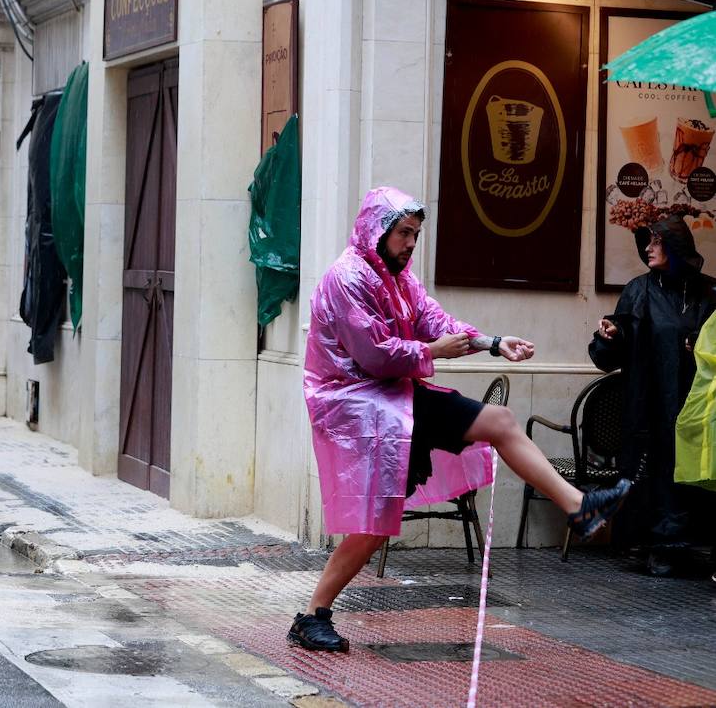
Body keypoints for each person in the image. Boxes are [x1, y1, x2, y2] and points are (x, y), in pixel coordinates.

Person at [289, 187, 633, 653]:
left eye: (416, 234)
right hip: (357, 404)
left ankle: (578, 507)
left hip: (396, 399)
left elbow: (437, 322)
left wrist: (493, 342)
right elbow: (373, 356)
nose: (411, 243)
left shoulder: (400, 279)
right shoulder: (346, 278)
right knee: (375, 523)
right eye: (403, 233)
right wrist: (432, 352)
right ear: (378, 231)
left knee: (499, 422)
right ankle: (313, 616)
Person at [590, 215, 716, 576]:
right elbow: (611, 350)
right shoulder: (639, 290)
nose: (648, 248)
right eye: (647, 241)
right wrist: (610, 335)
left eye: (656, 242)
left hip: (698, 407)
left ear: (675, 247)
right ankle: (659, 545)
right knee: (657, 471)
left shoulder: (708, 293)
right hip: (651, 404)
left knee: (695, 472)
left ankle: (691, 544)